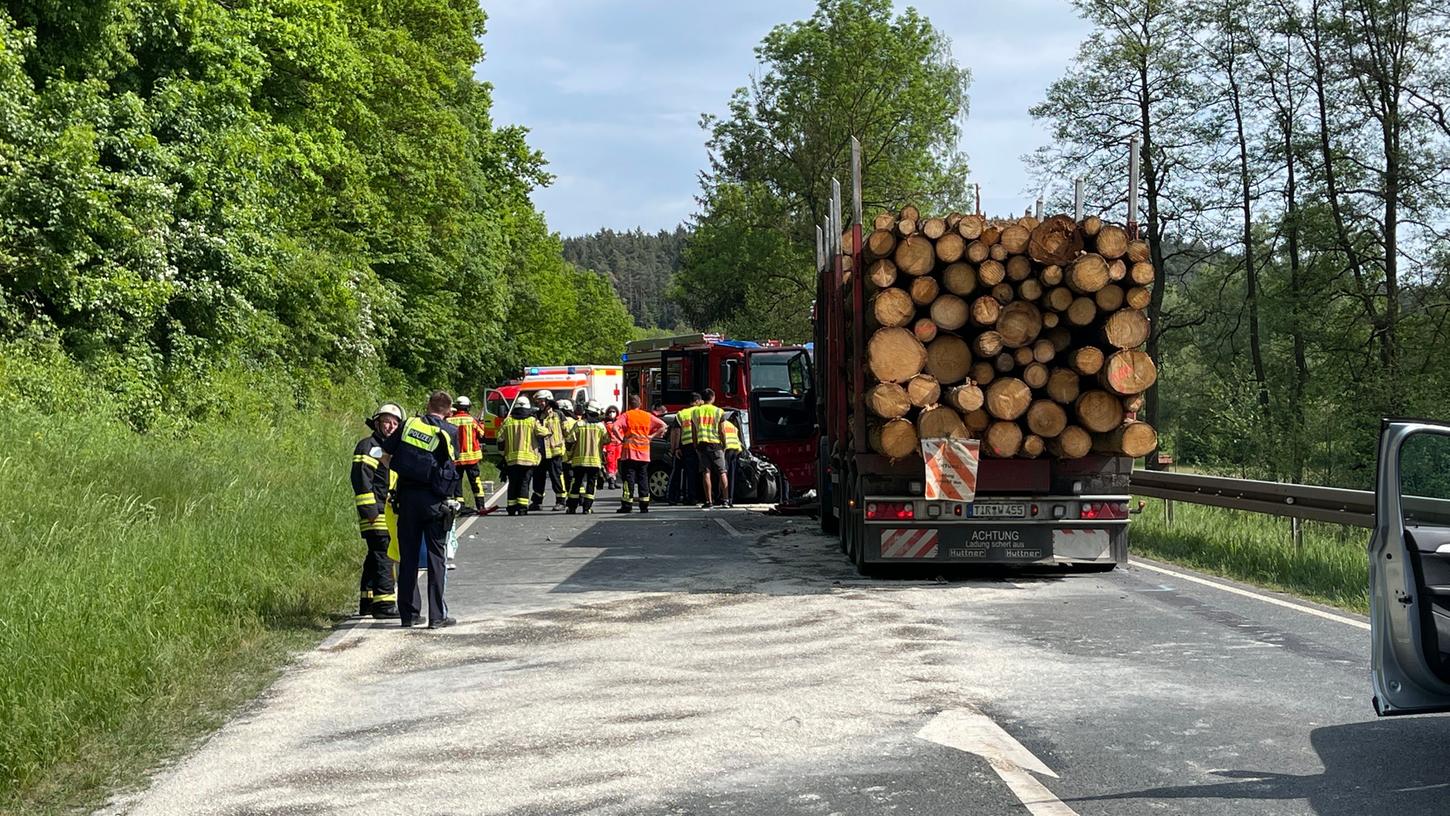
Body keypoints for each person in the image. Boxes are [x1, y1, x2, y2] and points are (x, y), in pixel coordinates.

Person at [380, 391, 460, 629]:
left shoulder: (408, 424)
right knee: (436, 558)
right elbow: (452, 467)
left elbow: (386, 456)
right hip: (434, 501)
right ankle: (437, 616)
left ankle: (409, 615)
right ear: (448, 411)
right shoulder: (449, 431)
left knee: (409, 558)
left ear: (427, 405)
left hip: (407, 499)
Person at [351, 403, 404, 619]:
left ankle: (368, 601)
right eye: (386, 422)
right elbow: (361, 480)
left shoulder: (389, 449)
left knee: (374, 556)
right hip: (376, 514)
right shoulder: (369, 446)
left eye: (394, 423)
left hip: (387, 512)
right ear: (376, 423)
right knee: (384, 556)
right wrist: (370, 511)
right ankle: (384, 604)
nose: (390, 426)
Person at [613, 394, 667, 513]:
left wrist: (622, 439)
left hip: (630, 453)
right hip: (644, 454)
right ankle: (644, 505)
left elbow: (615, 428)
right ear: (640, 404)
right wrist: (651, 437)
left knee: (629, 480)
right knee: (643, 479)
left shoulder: (627, 415)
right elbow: (663, 425)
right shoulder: (647, 416)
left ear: (629, 405)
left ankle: (627, 505)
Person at [499, 396, 546, 516]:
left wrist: (503, 454)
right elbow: (544, 432)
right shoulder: (531, 421)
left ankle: (511, 507)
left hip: (511, 459)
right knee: (524, 483)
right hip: (528, 459)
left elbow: (499, 438)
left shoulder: (508, 421)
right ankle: (522, 509)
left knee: (513, 483)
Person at [446, 396, 488, 513]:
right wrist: (482, 424)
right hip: (471, 458)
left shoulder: (449, 421)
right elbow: (482, 434)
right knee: (475, 482)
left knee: (457, 483)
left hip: (456, 459)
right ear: (468, 407)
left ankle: (460, 506)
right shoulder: (471, 420)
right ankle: (481, 506)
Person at [565, 401, 608, 514]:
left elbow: (569, 440)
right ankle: (587, 508)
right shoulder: (600, 427)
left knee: (576, 483)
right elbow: (607, 440)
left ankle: (572, 508)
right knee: (591, 483)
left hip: (579, 461)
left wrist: (569, 454)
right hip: (594, 461)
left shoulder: (579, 424)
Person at [690, 388, 729, 510]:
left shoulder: (695, 412)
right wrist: (724, 444)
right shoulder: (718, 411)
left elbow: (694, 431)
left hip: (702, 445)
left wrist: (696, 445)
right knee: (722, 471)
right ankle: (726, 500)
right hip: (716, 444)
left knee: (706, 472)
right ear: (713, 398)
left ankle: (709, 501)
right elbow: (722, 430)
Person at [530, 392, 567, 511]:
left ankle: (561, 501)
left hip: (555, 452)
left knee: (556, 477)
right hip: (541, 453)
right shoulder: (536, 415)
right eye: (538, 401)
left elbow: (566, 430)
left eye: (542, 401)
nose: (540, 403)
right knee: (538, 478)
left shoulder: (559, 415)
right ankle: (537, 502)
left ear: (548, 401)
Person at [667, 393, 702, 505]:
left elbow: (676, 432)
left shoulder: (681, 414)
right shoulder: (700, 412)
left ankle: (673, 497)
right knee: (692, 474)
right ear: (697, 401)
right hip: (697, 446)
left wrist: (675, 448)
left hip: (683, 446)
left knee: (677, 472)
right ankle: (691, 497)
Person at [722, 410, 744, 509]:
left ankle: (723, 497)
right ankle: (730, 499)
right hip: (736, 449)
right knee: (731, 475)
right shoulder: (732, 426)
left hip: (726, 450)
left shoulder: (720, 424)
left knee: (723, 474)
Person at [602, 405, 622, 489]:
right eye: (610, 412)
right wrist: (603, 447)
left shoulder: (619, 422)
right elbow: (603, 435)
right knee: (610, 463)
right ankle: (611, 481)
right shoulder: (604, 423)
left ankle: (614, 479)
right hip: (609, 445)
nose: (611, 413)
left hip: (618, 446)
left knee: (616, 464)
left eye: (613, 412)